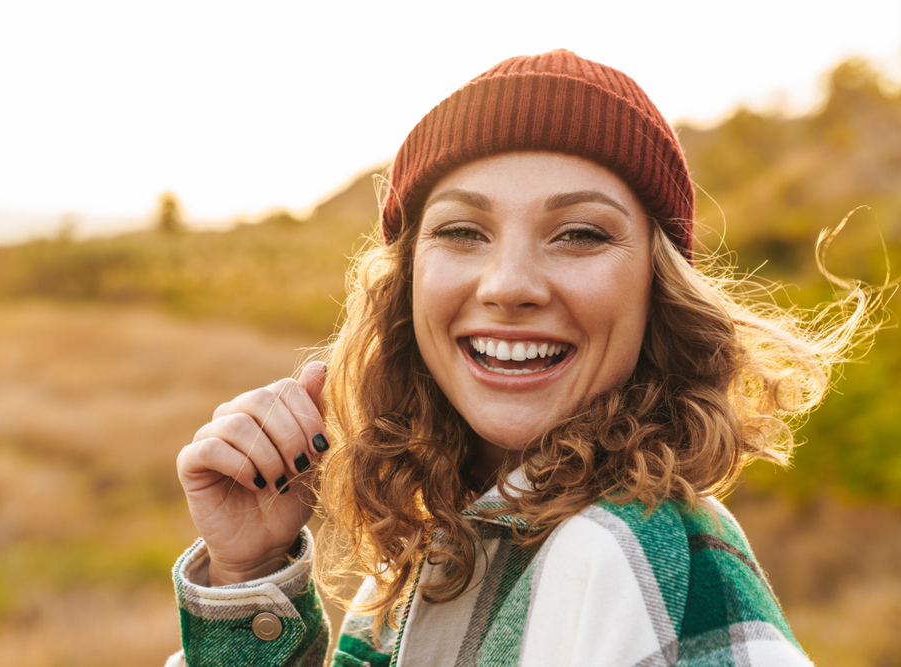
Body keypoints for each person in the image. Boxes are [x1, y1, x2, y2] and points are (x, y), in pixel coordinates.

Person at [166, 49, 873, 666]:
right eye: (464, 230)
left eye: (580, 234)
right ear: (407, 282)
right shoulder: (443, 547)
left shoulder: (635, 554)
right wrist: (247, 569)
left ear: (658, 290)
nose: (508, 285)